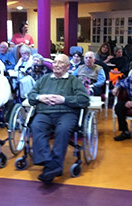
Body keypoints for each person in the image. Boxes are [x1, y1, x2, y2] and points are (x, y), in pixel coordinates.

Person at [28, 54, 90, 183]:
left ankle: (52, 166)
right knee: (36, 126)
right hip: (44, 112)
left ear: (67, 66)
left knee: (63, 130)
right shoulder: (44, 79)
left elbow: (84, 100)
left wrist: (64, 99)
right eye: (55, 62)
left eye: (61, 63)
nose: (56, 65)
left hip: (67, 113)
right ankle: (52, 164)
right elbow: (31, 95)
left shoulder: (73, 80)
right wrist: (40, 98)